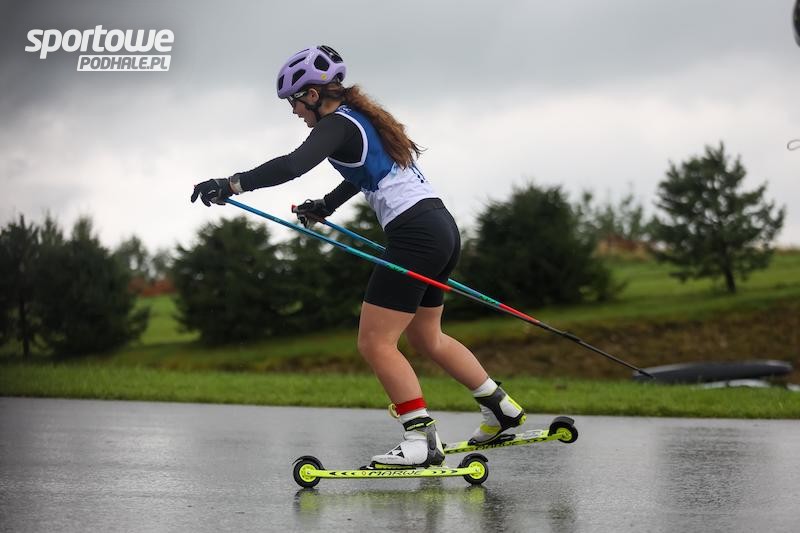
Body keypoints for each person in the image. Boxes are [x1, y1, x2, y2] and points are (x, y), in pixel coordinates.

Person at [191, 45, 526, 468]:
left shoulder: (336, 124)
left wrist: (231, 184)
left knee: (374, 342)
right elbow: (364, 176)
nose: (294, 112)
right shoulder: (361, 119)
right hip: (440, 228)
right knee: (427, 338)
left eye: (294, 102)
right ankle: (500, 408)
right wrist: (327, 205)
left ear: (313, 95)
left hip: (414, 234)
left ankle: (421, 439)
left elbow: (293, 165)